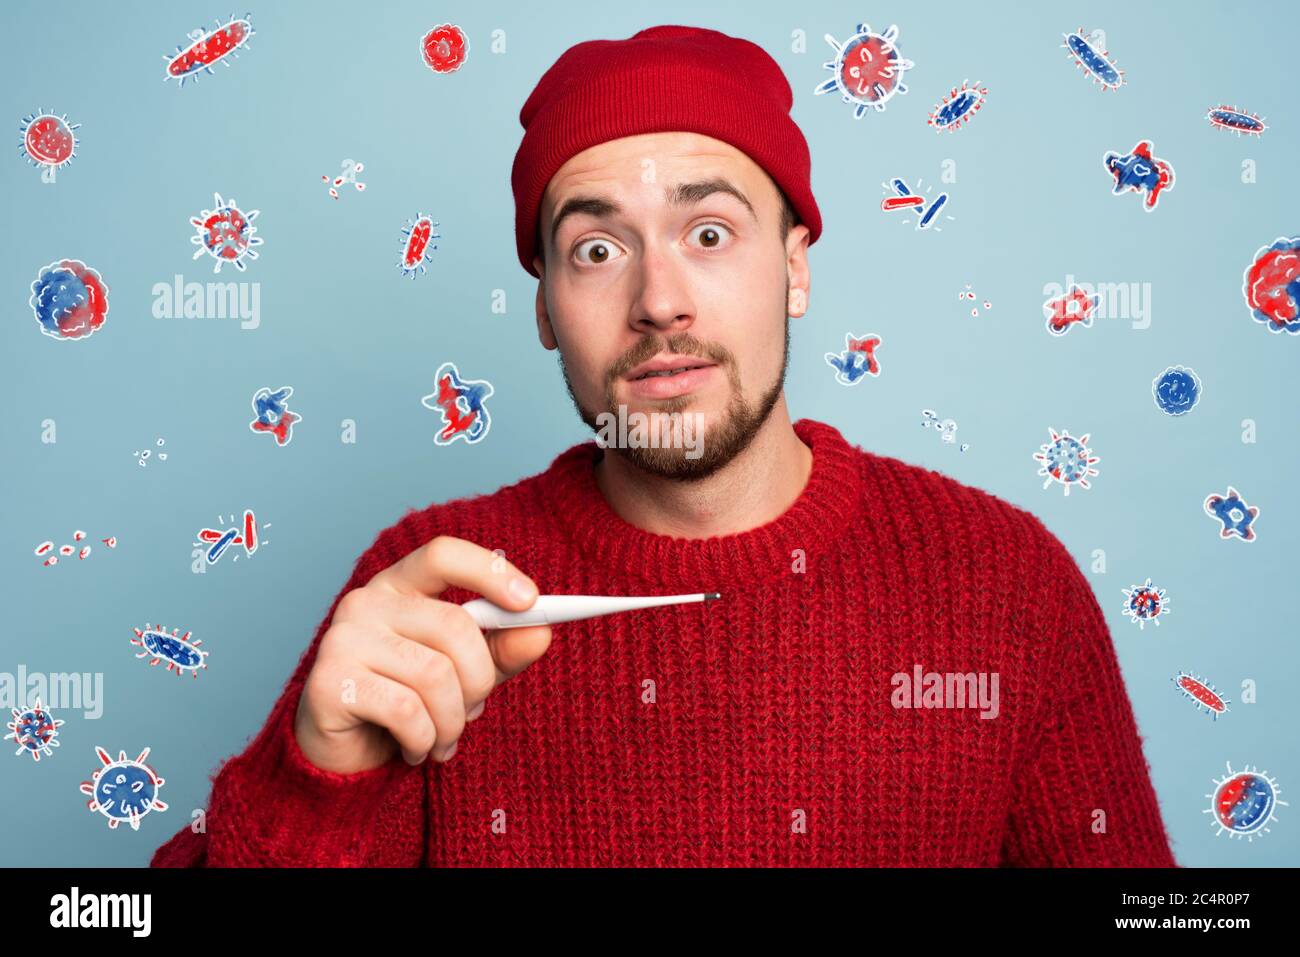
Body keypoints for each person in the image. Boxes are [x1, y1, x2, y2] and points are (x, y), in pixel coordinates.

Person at [153, 25, 1176, 867]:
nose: (658, 301)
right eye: (596, 250)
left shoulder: (1007, 585)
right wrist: (312, 779)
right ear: (548, 309)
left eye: (709, 233)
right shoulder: (430, 593)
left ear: (795, 268)